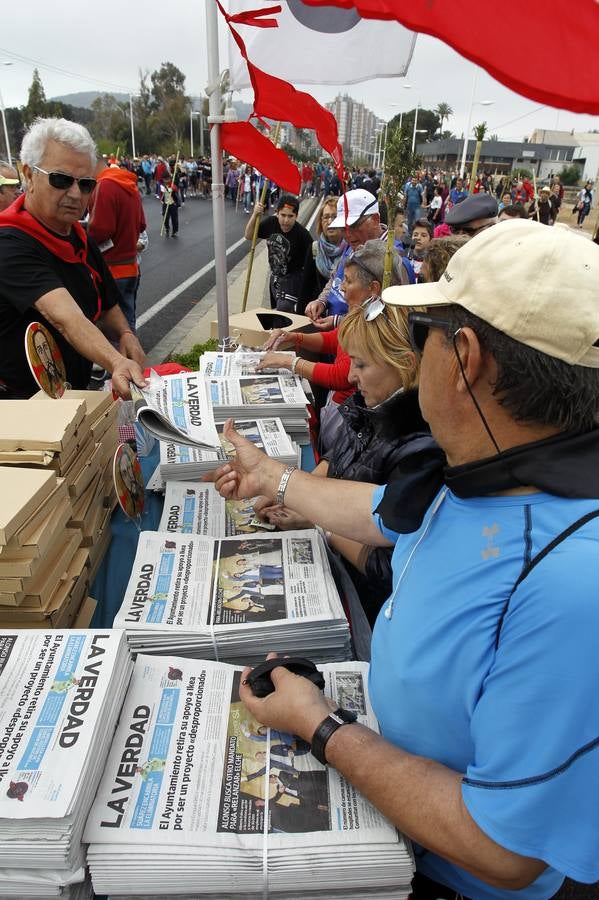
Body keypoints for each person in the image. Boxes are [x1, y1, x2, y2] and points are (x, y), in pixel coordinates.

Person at [215, 219, 599, 900]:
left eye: (423, 339)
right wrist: (273, 479)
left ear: (464, 357)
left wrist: (319, 725)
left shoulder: (570, 583)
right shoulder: (494, 474)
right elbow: (385, 513)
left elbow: (503, 850)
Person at [0, 117, 146, 400]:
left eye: (86, 184)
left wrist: (125, 333)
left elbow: (107, 304)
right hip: (21, 407)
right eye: (61, 180)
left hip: (68, 397)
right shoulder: (9, 241)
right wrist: (116, 361)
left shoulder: (77, 235)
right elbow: (65, 317)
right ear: (29, 175)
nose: (76, 194)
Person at [258, 241, 409, 453]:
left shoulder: (376, 326)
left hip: (350, 417)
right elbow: (336, 340)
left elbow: (341, 375)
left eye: (348, 281)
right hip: (338, 409)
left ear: (373, 289)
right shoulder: (360, 314)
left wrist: (289, 362)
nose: (342, 287)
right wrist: (295, 337)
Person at [87, 161, 147, 332]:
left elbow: (100, 230)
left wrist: (85, 233)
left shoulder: (104, 185)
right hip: (132, 266)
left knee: (113, 330)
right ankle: (132, 356)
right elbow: (142, 224)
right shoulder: (129, 184)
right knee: (128, 323)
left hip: (112, 270)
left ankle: (125, 358)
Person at [245, 193, 312, 314]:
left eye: (290, 216)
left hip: (293, 278)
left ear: (296, 216)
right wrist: (255, 215)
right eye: (283, 215)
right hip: (275, 276)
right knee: (276, 310)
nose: (286, 220)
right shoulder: (271, 223)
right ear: (277, 213)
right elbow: (249, 236)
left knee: (284, 308)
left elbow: (313, 260)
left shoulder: (303, 235)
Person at [299, 195, 349, 316]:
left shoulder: (350, 249)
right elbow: (305, 289)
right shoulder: (314, 249)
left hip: (342, 316)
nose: (330, 222)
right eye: (326, 217)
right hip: (317, 315)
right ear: (320, 222)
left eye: (334, 216)